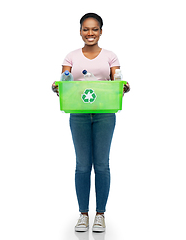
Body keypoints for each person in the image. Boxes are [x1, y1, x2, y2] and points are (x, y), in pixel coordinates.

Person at [52, 13, 130, 232]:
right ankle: (83, 214)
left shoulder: (111, 57)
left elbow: (117, 80)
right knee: (82, 165)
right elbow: (64, 82)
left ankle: (100, 215)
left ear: (101, 32)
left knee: (102, 164)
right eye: (86, 29)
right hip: (79, 114)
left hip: (105, 114)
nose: (90, 33)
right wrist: (56, 87)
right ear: (80, 31)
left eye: (94, 29)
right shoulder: (71, 56)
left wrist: (124, 87)